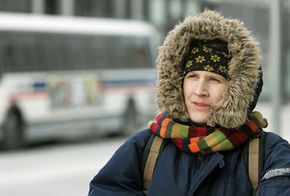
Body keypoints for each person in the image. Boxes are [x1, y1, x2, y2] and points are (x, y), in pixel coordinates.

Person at [88, 10, 290, 196]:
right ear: (177, 82)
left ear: (237, 90)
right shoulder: (145, 148)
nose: (199, 91)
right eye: (192, 76)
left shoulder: (270, 154)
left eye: (214, 80)